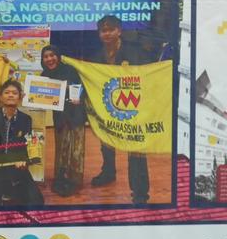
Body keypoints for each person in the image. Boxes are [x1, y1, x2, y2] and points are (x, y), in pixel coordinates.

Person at [88, 15, 151, 204]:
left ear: (119, 31)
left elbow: (146, 76)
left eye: (111, 30)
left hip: (133, 107)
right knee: (106, 141)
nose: (107, 34)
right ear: (99, 34)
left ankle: (140, 193)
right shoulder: (97, 56)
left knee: (136, 149)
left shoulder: (134, 51)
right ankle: (108, 173)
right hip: (109, 106)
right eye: (103, 30)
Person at [0, 80, 43, 206]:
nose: (11, 95)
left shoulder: (26, 119)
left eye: (14, 93)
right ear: (0, 97)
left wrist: (24, 161)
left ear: (20, 98)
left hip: (16, 165)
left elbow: (28, 145)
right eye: (7, 92)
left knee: (37, 201)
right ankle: (3, 192)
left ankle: (9, 189)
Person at [40, 45, 87, 197]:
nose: (49, 59)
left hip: (76, 114)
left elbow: (81, 87)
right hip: (60, 117)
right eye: (46, 56)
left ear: (58, 56)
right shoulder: (44, 75)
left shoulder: (70, 70)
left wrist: (77, 96)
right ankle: (60, 176)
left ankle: (75, 179)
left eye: (52, 55)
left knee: (77, 148)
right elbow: (40, 96)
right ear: (42, 60)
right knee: (61, 148)